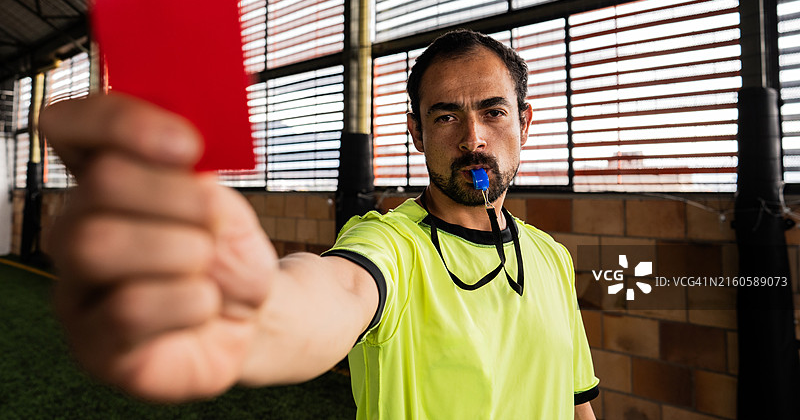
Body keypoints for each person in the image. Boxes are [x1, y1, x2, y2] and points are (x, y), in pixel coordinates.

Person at [41, 29, 598, 419]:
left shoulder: (551, 258)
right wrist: (247, 311)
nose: (473, 138)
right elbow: (334, 291)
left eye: (493, 112)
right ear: (416, 133)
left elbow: (577, 404)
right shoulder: (390, 245)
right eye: (446, 115)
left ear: (524, 123)